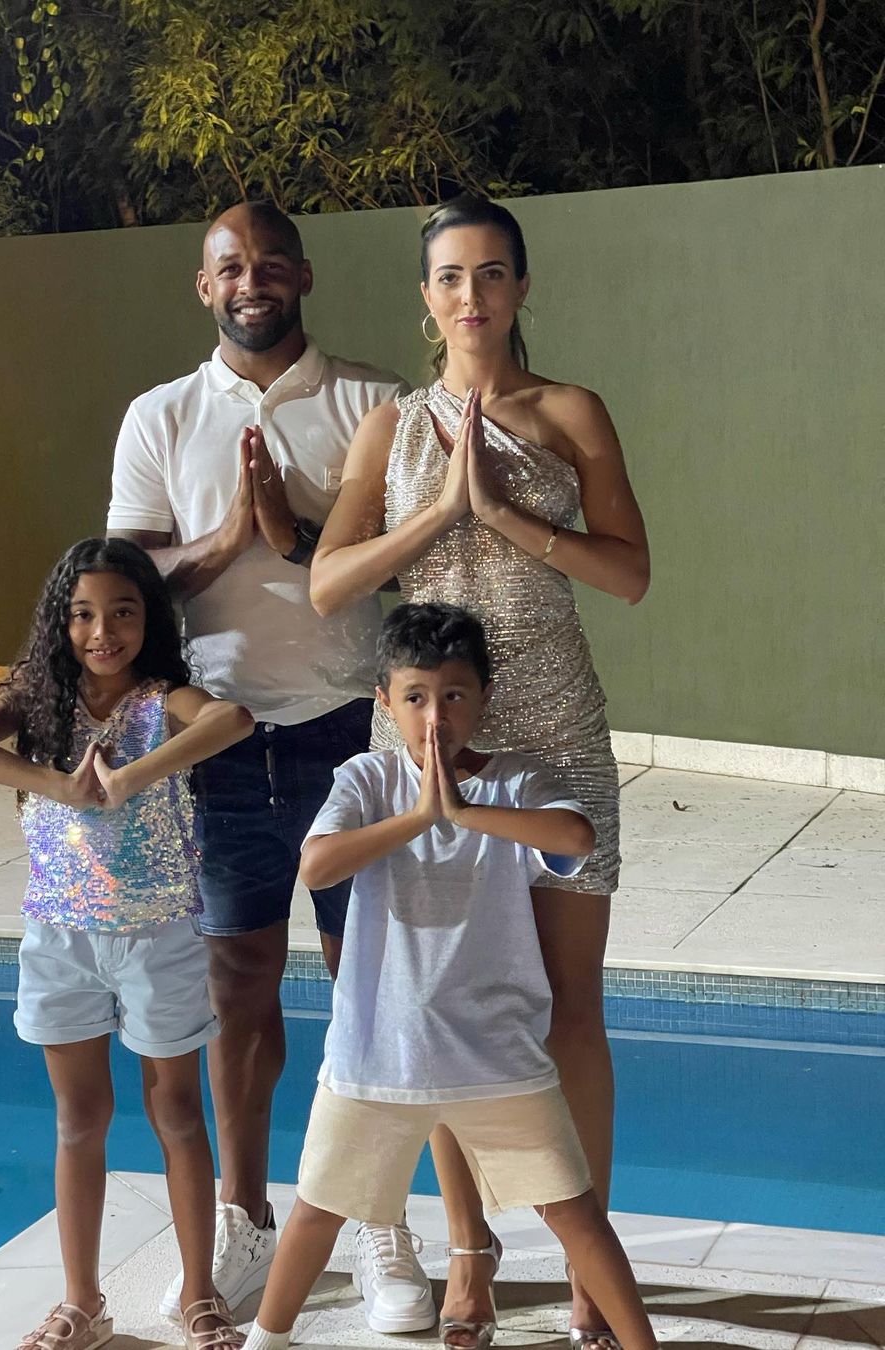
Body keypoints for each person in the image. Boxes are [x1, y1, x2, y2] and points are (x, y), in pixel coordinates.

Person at [310, 193, 650, 1348]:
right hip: (428, 738)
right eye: (451, 276)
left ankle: (592, 1269)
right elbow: (331, 581)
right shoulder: (391, 427)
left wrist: (502, 513)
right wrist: (442, 513)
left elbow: (631, 574)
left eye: (492, 273)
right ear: (427, 296)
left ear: (521, 287)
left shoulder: (570, 412)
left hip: (554, 725)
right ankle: (469, 1255)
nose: (472, 295)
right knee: (441, 1005)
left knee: (570, 1010)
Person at [105, 203, 433, 1328]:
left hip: (353, 733)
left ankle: (379, 1221)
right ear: (205, 286)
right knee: (238, 984)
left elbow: (414, 563)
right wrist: (226, 542)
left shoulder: (376, 400)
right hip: (222, 744)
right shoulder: (160, 415)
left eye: (271, 263)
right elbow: (128, 585)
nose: (253, 281)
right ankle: (244, 1219)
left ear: (304, 275)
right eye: (231, 266)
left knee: (368, 983)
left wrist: (298, 528)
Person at [241, 603, 657, 1350]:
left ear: (484, 698)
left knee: (575, 1214)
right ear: (385, 701)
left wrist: (461, 811)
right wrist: (419, 816)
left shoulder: (518, 782)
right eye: (416, 696)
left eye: (455, 695)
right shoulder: (366, 779)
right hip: (375, 1061)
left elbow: (576, 837)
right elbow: (317, 866)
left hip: (499, 1058)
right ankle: (264, 1342)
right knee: (316, 1212)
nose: (436, 716)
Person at [0, 537, 255, 1350]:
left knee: (177, 1112)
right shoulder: (39, 700)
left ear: (150, 619)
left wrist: (134, 776)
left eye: (121, 612)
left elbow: (234, 719)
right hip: (60, 937)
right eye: (81, 615)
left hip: (158, 936)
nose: (101, 632)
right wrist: (57, 785)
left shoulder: (162, 698)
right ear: (60, 622)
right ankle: (83, 1301)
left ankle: (200, 1293)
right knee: (80, 1119)